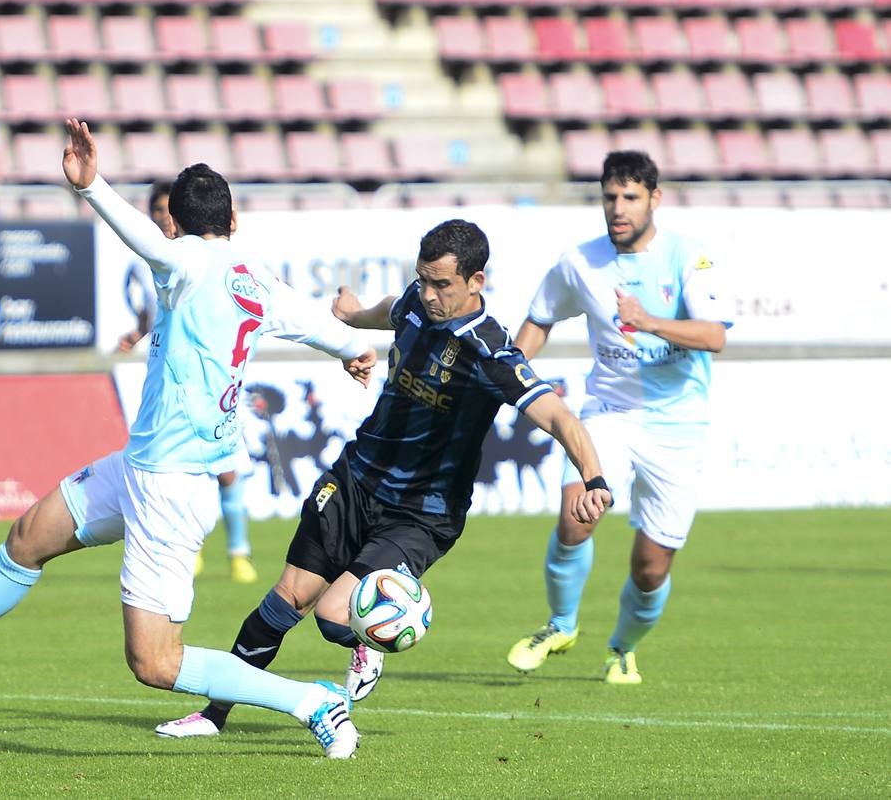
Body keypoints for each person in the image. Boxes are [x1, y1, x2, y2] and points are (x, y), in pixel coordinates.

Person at [0, 118, 378, 759]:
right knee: (27, 538)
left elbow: (150, 245)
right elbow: (330, 331)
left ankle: (311, 701)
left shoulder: (184, 258)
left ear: (174, 224)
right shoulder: (258, 279)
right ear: (233, 219)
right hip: (140, 468)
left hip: (170, 488)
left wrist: (91, 186)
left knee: (155, 663)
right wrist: (354, 352)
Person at [156, 218, 615, 739]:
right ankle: (213, 716)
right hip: (356, 479)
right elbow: (387, 312)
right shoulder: (414, 306)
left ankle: (364, 645)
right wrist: (351, 313)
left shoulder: (491, 353)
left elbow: (559, 417)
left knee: (334, 615)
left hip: (421, 512)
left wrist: (595, 479)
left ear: (475, 282)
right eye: (423, 280)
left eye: (442, 284)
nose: (429, 294)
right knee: (286, 599)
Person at [504, 151, 730, 685]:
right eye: (609, 197)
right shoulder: (579, 263)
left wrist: (647, 321)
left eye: (630, 197)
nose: (618, 208)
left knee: (651, 569)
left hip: (678, 427)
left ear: (655, 198)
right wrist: (503, 374)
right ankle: (560, 624)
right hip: (609, 411)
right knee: (575, 516)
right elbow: (539, 320)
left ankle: (622, 648)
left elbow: (714, 336)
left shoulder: (688, 257)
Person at [117, 181, 258, 584]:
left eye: (167, 210)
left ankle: (238, 554)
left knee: (226, 471)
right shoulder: (149, 260)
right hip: (168, 384)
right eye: (156, 211)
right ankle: (187, 548)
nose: (162, 218)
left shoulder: (210, 261)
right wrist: (136, 337)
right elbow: (153, 317)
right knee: (177, 469)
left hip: (213, 381)